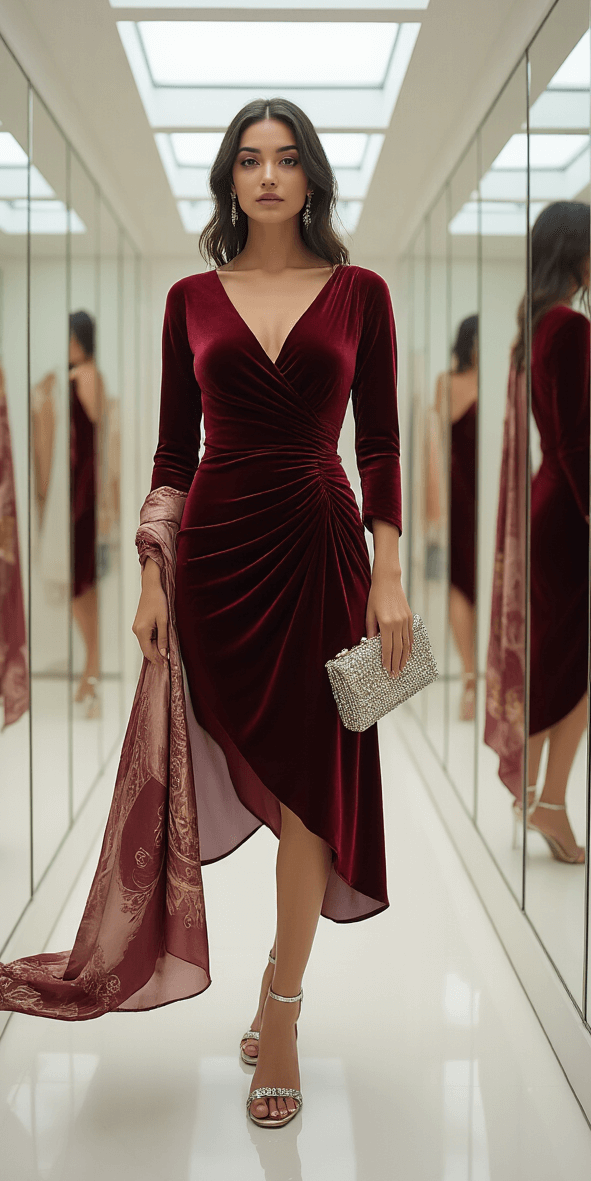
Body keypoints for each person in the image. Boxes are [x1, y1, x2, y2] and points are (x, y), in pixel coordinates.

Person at [133, 97, 410, 1127]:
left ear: (311, 177)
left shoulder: (362, 293)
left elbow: (377, 442)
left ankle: (281, 1007)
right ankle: (276, 992)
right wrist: (152, 576)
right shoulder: (189, 298)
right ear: (228, 177)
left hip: (325, 551)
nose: (267, 175)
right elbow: (171, 455)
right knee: (278, 765)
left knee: (311, 784)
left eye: (286, 159)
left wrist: (389, 571)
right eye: (249, 159)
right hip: (217, 558)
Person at [485, 201, 591, 863]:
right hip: (577, 517)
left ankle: (539, 797)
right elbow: (576, 447)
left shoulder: (542, 325)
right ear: (574, 248)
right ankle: (550, 803)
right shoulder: (567, 326)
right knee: (570, 668)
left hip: (565, 510)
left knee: (559, 663)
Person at [435, 316, 478, 720]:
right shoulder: (446, 383)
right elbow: (438, 445)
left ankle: (486, 675)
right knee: (462, 582)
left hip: (498, 495)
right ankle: (469, 675)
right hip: (463, 496)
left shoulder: (502, 377)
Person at [69, 311, 102, 714]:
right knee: (84, 588)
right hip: (82, 493)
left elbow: (94, 437)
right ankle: (89, 671)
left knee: (81, 589)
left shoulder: (83, 378)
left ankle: (90, 670)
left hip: (81, 495)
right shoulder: (85, 376)